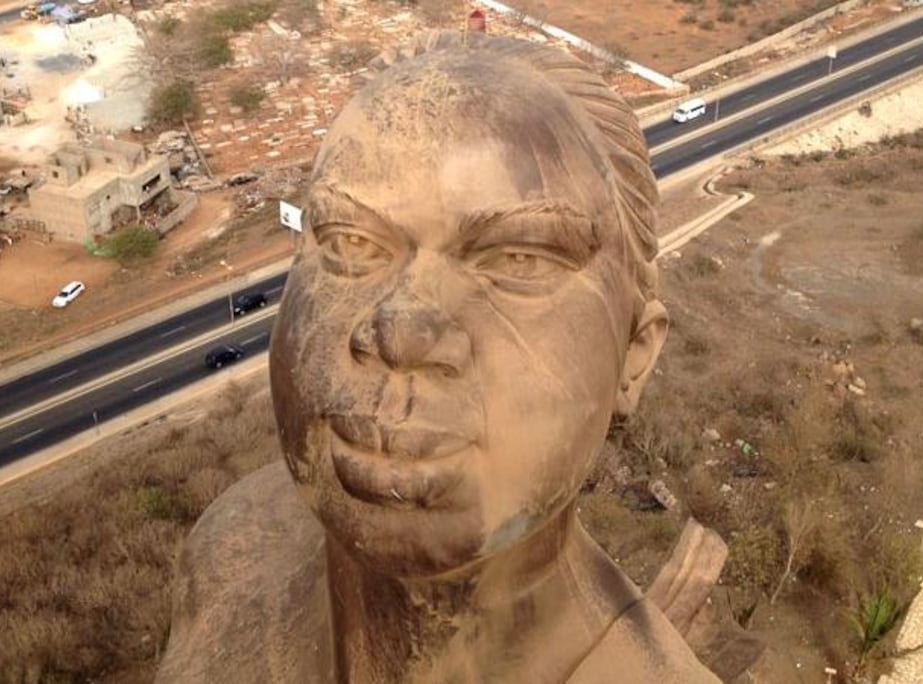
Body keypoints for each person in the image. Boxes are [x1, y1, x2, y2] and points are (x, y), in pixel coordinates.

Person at [159, 31, 719, 683]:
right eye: (348, 242)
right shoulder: (232, 552)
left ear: (634, 355)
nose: (400, 330)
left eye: (519, 258)